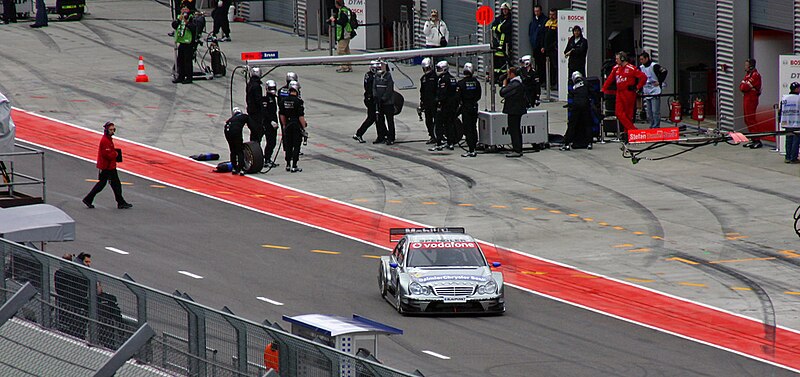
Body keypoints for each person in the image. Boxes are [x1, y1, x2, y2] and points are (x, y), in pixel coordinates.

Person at [82, 122, 132, 209]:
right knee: (104, 185)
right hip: (106, 167)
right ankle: (88, 199)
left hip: (109, 166)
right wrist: (116, 154)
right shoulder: (105, 141)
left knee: (114, 184)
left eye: (113, 130)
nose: (113, 132)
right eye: (111, 130)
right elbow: (107, 155)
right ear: (106, 131)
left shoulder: (108, 139)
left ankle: (120, 202)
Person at [602, 51, 646, 135]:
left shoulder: (631, 68)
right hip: (619, 93)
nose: (616, 61)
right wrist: (603, 89)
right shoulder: (616, 68)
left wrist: (637, 87)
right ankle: (633, 130)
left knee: (628, 114)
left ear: (622, 59)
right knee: (619, 113)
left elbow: (643, 77)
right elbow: (609, 79)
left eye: (617, 59)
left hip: (629, 93)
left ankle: (628, 132)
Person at [54, 253, 89, 339]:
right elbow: (84, 291)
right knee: (78, 332)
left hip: (65, 305)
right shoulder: (80, 275)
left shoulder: (59, 273)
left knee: (64, 330)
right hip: (78, 307)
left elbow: (59, 290)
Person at [429, 61, 458, 151]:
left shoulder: (443, 79)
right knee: (449, 124)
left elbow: (443, 94)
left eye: (439, 69)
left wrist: (438, 101)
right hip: (452, 106)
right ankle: (450, 142)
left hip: (444, 106)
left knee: (439, 124)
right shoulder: (453, 79)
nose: (438, 70)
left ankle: (439, 142)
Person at [279, 82, 307, 172]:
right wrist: (304, 127)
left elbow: (282, 115)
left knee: (288, 145)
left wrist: (284, 125)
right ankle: (294, 165)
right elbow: (300, 116)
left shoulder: (283, 100)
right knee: (296, 145)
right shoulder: (298, 101)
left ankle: (287, 164)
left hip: (288, 124)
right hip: (296, 125)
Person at [562, 71, 593, 151]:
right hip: (585, 104)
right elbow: (591, 92)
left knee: (572, 124)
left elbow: (571, 96)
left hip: (576, 105)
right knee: (587, 124)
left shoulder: (573, 86)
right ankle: (589, 143)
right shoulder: (586, 83)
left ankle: (567, 143)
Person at [500, 67, 527, 157]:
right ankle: (518, 148)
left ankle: (517, 149)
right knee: (516, 129)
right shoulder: (518, 83)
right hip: (516, 109)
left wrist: (504, 84)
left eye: (508, 74)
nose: (507, 76)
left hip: (514, 110)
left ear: (512, 74)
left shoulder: (515, 84)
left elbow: (503, 92)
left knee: (514, 130)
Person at [353, 61, 382, 143]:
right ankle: (359, 133)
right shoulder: (371, 76)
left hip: (369, 98)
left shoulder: (368, 75)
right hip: (371, 99)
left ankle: (383, 133)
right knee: (372, 118)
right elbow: (373, 88)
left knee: (376, 118)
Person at [457, 63, 482, 157]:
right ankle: (474, 146)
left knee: (468, 129)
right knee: (473, 127)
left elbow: (458, 97)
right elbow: (479, 95)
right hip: (474, 107)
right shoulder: (476, 82)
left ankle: (471, 149)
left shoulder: (461, 83)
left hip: (466, 108)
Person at [172, 6, 198, 84]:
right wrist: (178, 20)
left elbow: (194, 28)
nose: (184, 11)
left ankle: (189, 78)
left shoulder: (191, 18)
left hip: (189, 42)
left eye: (186, 9)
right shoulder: (180, 17)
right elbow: (174, 25)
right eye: (183, 9)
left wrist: (187, 23)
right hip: (182, 41)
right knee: (180, 59)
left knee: (188, 60)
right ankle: (181, 76)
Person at [740, 58, 763, 149]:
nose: (745, 66)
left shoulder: (755, 75)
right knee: (746, 119)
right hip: (746, 97)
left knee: (751, 119)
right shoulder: (748, 75)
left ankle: (757, 140)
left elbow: (744, 87)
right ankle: (752, 138)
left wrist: (745, 85)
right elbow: (741, 87)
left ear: (750, 66)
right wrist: (744, 85)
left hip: (751, 99)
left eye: (746, 65)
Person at [638, 51, 663, 129]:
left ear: (647, 58)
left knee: (655, 111)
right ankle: (652, 125)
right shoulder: (641, 67)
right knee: (649, 111)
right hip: (647, 91)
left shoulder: (654, 66)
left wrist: (660, 81)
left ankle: (656, 126)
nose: (641, 61)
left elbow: (664, 71)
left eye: (642, 59)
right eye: (640, 60)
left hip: (655, 91)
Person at [373, 61, 396, 145]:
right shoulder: (377, 76)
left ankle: (391, 137)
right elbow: (374, 87)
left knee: (390, 121)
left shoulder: (389, 76)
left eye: (382, 66)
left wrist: (384, 98)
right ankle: (381, 136)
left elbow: (389, 89)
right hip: (379, 102)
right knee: (379, 120)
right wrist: (375, 97)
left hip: (388, 103)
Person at [328, 0, 354, 73]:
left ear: (337, 4)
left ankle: (344, 66)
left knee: (340, 51)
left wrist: (334, 20)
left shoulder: (343, 12)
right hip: (346, 32)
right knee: (346, 50)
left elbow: (342, 22)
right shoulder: (344, 10)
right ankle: (348, 66)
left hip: (344, 33)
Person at [491, 3, 513, 83]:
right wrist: (499, 28)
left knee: (504, 65)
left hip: (505, 46)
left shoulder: (510, 20)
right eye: (503, 9)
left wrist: (498, 27)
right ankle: (496, 78)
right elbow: (493, 27)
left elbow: (506, 28)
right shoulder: (498, 19)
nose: (505, 11)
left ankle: (503, 79)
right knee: (496, 65)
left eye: (506, 10)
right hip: (497, 46)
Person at [224, 107, 250, 176]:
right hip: (235, 132)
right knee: (239, 150)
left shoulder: (230, 119)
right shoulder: (243, 116)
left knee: (233, 150)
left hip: (227, 132)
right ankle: (241, 169)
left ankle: (234, 168)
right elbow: (250, 123)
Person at [419, 58, 439, 144]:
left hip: (434, 102)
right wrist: (422, 102)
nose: (425, 70)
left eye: (427, 68)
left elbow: (438, 90)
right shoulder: (423, 79)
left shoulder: (435, 77)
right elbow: (422, 91)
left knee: (437, 120)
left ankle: (438, 136)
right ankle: (431, 135)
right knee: (428, 120)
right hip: (427, 103)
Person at [780, 82, 800, 163]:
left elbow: (780, 110)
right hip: (796, 122)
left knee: (788, 140)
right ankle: (793, 158)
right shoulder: (798, 98)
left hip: (787, 122)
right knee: (796, 141)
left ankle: (787, 157)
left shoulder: (785, 98)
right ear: (796, 89)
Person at [261, 80, 280, 168]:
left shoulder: (274, 98)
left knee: (273, 143)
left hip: (274, 123)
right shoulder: (265, 99)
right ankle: (266, 159)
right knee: (270, 142)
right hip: (268, 124)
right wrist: (270, 121)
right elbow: (264, 112)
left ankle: (268, 158)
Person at [528, 5, 547, 85]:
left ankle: (543, 80)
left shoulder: (544, 20)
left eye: (538, 11)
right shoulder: (533, 21)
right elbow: (530, 33)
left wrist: (543, 45)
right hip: (535, 46)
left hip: (541, 47)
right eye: (535, 11)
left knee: (542, 64)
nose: (536, 13)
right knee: (536, 63)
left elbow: (544, 34)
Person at [246, 67, 264, 145]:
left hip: (251, 110)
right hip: (256, 112)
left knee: (254, 131)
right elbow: (258, 100)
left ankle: (253, 146)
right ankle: (255, 147)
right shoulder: (257, 86)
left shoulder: (250, 84)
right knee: (258, 131)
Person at [542, 9, 558, 89]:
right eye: (550, 14)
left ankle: (555, 82)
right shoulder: (547, 23)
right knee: (548, 66)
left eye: (553, 14)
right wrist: (543, 46)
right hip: (546, 49)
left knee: (555, 66)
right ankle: (548, 82)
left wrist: (554, 46)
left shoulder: (557, 24)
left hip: (553, 49)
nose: (551, 16)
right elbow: (544, 36)